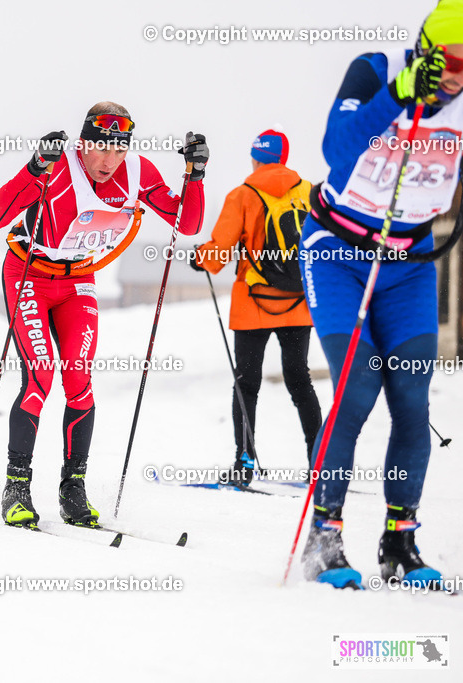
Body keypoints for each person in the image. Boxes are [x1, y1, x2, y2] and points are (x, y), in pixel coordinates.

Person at [297, 3, 463, 589]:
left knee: (412, 397)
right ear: (427, 52)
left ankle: (400, 540)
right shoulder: (375, 69)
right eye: (451, 61)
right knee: (357, 382)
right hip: (337, 252)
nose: (458, 76)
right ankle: (324, 536)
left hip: (408, 264)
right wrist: (397, 96)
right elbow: (338, 149)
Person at [0, 102, 208, 529]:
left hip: (78, 280)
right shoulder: (58, 166)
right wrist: (34, 168)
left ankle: (73, 488)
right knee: (39, 377)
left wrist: (194, 176)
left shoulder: (138, 172)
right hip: (29, 273)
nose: (109, 161)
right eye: (102, 148)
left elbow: (188, 224)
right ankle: (17, 486)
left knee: (79, 381)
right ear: (83, 143)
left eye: (119, 150)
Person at [190, 131, 321, 484]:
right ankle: (321, 463)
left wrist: (200, 259)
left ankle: (244, 462)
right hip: (298, 303)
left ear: (255, 158)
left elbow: (219, 252)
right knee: (300, 380)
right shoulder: (309, 192)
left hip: (254, 303)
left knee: (247, 384)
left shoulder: (242, 195)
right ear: (283, 158)